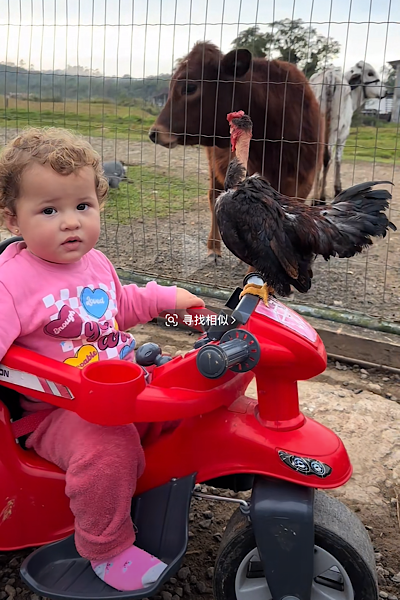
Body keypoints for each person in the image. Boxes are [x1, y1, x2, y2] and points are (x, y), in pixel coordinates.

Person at [0, 127, 205, 591]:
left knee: (187, 395)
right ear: (13, 220)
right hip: (58, 411)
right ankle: (106, 548)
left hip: (119, 389)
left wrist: (166, 298)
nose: (70, 222)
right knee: (107, 449)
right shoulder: (11, 283)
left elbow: (119, 306)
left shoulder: (95, 264)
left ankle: (150, 491)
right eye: (49, 210)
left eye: (82, 206)